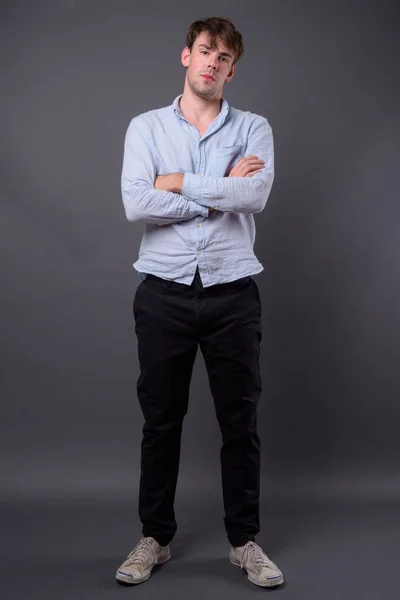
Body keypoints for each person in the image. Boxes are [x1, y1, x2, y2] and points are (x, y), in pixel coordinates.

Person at [116, 16, 284, 589]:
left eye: (225, 58)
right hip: (161, 293)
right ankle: (154, 538)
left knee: (241, 422)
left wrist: (178, 181)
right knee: (161, 421)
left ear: (232, 71)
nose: (213, 63)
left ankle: (245, 542)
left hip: (234, 293)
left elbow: (255, 194)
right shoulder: (144, 127)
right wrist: (217, 193)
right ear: (186, 56)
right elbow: (136, 203)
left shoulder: (254, 128)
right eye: (206, 51)